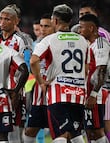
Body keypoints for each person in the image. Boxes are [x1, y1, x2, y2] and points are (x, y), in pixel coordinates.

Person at [30, 4, 89, 143]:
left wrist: (41, 82)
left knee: (60, 135)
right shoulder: (82, 40)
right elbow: (86, 68)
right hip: (79, 94)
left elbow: (33, 61)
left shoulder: (50, 40)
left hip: (59, 93)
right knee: (75, 134)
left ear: (55, 21)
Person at [0, 4, 32, 143]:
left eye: (7, 19)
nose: (2, 22)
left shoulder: (22, 41)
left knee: (14, 131)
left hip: (14, 90)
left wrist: (17, 91)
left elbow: (26, 66)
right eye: (0, 18)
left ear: (16, 21)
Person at [79, 1, 110, 141]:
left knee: (96, 131)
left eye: (82, 28)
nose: (79, 31)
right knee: (90, 131)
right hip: (91, 92)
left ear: (91, 28)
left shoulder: (100, 44)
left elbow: (101, 70)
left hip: (98, 94)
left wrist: (93, 94)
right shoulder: (89, 44)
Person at [23, 13, 55, 143]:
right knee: (31, 129)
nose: (42, 30)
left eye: (46, 26)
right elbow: (31, 65)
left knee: (63, 130)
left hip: (56, 91)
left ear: (55, 25)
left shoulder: (57, 42)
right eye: (41, 26)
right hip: (39, 91)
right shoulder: (37, 44)